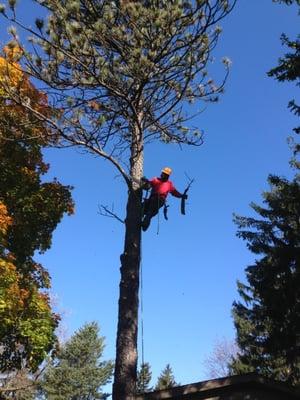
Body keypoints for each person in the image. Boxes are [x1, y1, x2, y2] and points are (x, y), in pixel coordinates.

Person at [141, 167, 187, 231]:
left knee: (150, 211)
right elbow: (147, 186)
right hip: (152, 198)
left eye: (167, 175)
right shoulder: (155, 179)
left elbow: (174, 192)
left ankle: (144, 225)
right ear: (162, 173)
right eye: (164, 174)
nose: (165, 175)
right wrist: (145, 181)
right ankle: (141, 223)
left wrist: (181, 196)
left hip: (160, 200)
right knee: (142, 209)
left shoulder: (169, 184)